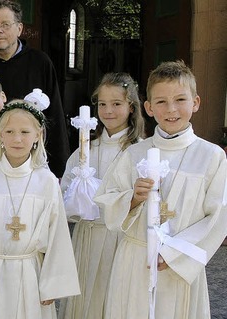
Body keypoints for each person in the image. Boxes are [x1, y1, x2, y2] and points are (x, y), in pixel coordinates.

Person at [94, 60, 227, 318]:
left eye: (180, 100)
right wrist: (132, 198)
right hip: (135, 259)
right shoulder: (134, 154)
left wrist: (176, 253)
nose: (171, 109)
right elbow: (107, 199)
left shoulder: (211, 157)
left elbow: (219, 216)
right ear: (149, 108)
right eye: (161, 102)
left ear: (196, 103)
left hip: (180, 266)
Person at [0, 100, 79, 318]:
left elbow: (58, 236)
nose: (17, 139)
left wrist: (52, 284)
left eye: (25, 132)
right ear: (0, 135)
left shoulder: (46, 182)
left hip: (30, 272)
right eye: (9, 131)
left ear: (38, 135)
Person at [59, 73, 145, 319]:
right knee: (86, 301)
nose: (108, 111)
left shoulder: (140, 150)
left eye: (116, 104)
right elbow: (66, 192)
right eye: (102, 104)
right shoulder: (85, 150)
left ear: (131, 106)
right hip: (88, 236)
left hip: (121, 237)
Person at [0, 0, 70, 177]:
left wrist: (58, 168)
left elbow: (54, 114)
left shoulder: (40, 62)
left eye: (5, 25)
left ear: (19, 28)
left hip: (31, 159)